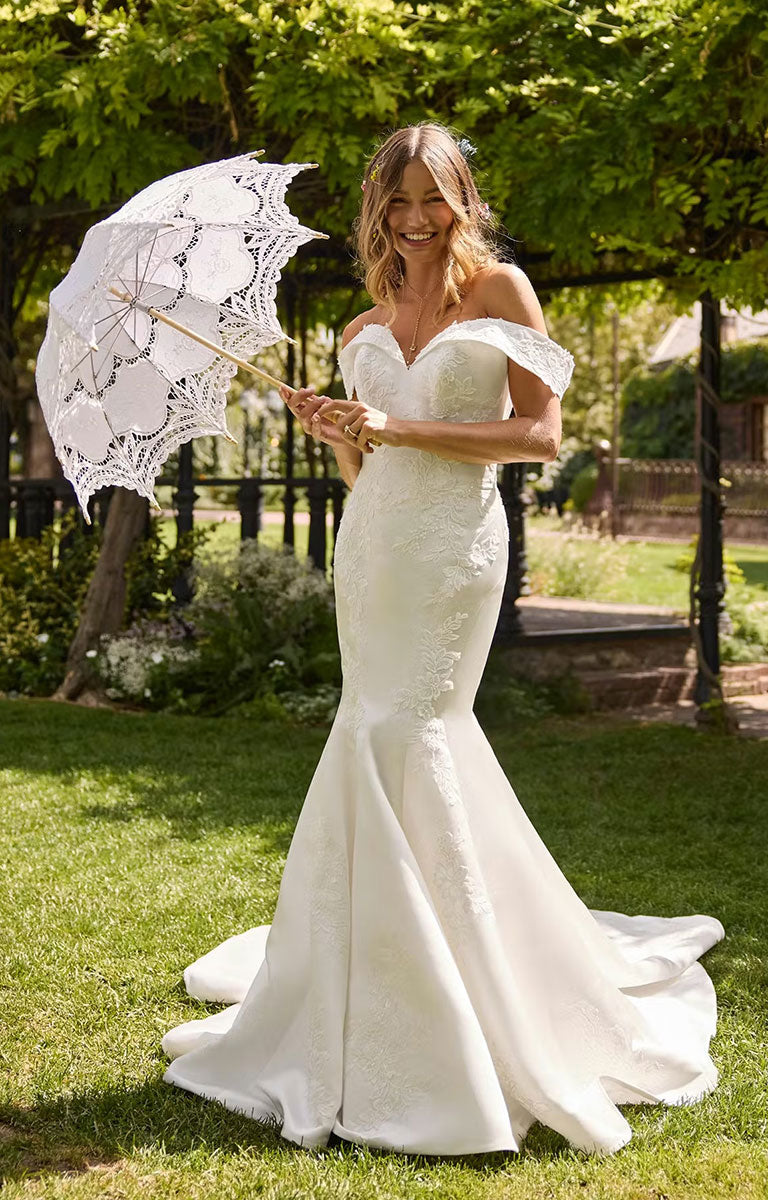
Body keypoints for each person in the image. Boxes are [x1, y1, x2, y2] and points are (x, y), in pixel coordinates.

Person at [162, 124, 723, 1157]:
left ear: (464, 200)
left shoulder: (503, 292)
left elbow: (540, 437)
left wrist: (397, 424)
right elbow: (369, 475)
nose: (418, 217)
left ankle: (473, 986)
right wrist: (344, 441)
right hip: (375, 547)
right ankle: (373, 970)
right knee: (368, 730)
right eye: (399, 200)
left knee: (417, 729)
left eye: (436, 198)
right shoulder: (356, 326)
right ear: (375, 209)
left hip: (457, 547)